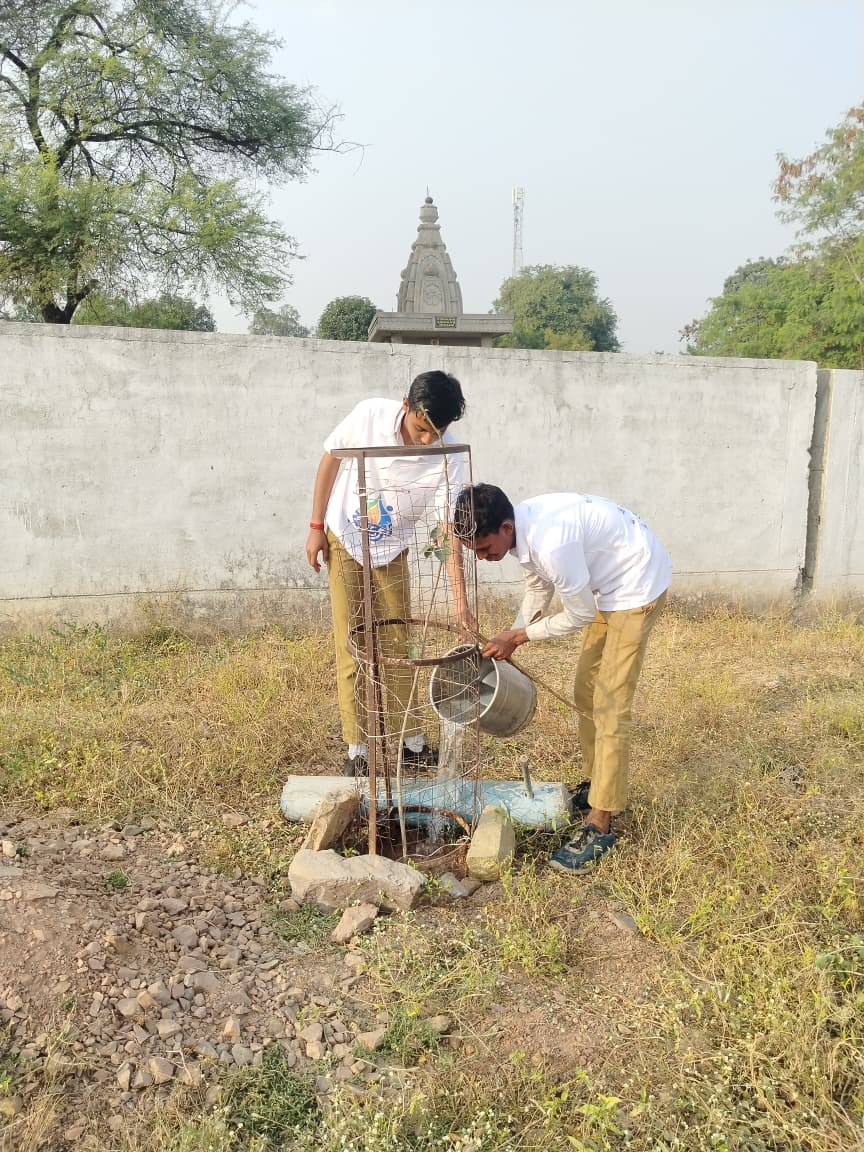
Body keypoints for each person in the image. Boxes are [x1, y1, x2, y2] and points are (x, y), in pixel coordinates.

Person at [453, 483, 671, 872]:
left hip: (636, 586)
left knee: (610, 702)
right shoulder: (522, 530)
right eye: (475, 552)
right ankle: (597, 782)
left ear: (505, 527)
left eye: (484, 548)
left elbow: (580, 614)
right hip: (606, 585)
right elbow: (538, 584)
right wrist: (514, 632)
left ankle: (601, 821)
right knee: (585, 689)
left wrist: (519, 636)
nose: (482, 558)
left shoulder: (552, 542)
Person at [307, 371, 472, 776]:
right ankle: (357, 750)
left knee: (401, 646)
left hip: (392, 549)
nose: (427, 441)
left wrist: (460, 604)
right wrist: (315, 527)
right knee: (352, 642)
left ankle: (411, 744)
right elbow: (330, 460)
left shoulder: (448, 455)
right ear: (406, 405)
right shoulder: (369, 416)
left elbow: (447, 530)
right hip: (345, 537)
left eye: (437, 432)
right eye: (420, 429)